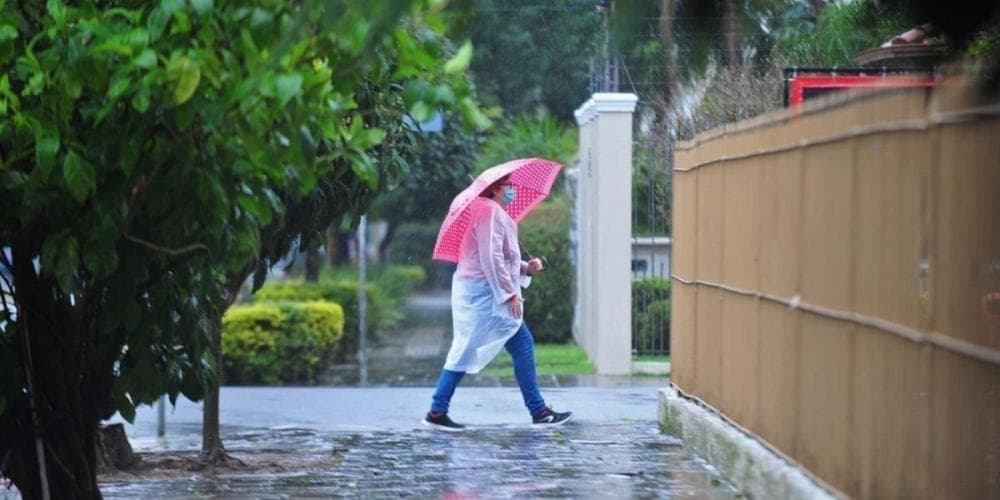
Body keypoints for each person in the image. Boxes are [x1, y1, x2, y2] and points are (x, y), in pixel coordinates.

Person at [423, 174, 573, 430]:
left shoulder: (489, 211)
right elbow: (490, 257)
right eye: (509, 186)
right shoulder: (489, 212)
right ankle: (538, 411)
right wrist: (508, 294)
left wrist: (527, 268)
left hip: (481, 291)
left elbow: (502, 257)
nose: (513, 190)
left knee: (501, 344)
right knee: (474, 348)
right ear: (495, 189)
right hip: (484, 295)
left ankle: (438, 411)